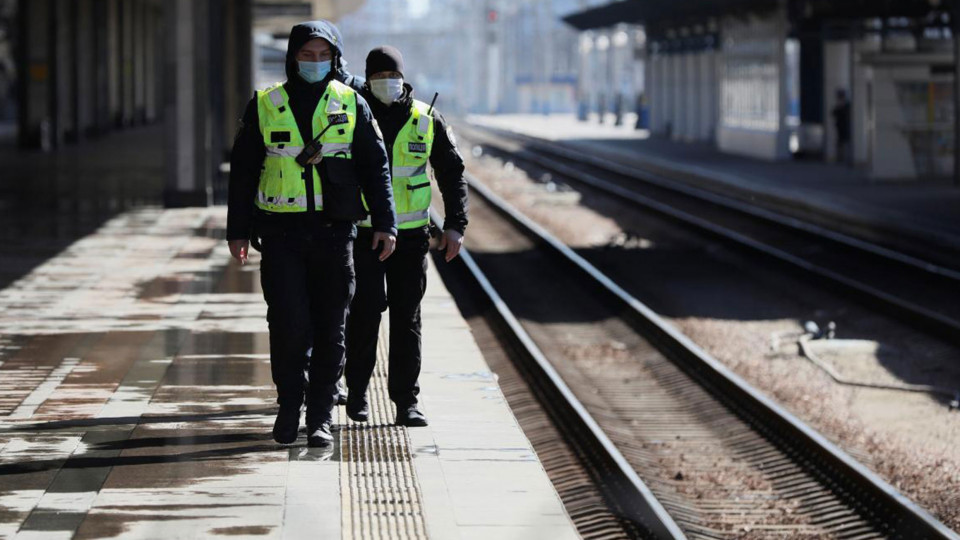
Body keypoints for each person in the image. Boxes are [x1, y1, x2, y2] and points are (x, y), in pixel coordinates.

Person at [226, 21, 397, 447]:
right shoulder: (265, 104)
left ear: (335, 58)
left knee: (330, 327)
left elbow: (376, 168)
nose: (316, 62)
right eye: (307, 55)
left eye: (324, 55)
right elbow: (244, 172)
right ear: (292, 57)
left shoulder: (352, 103)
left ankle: (320, 416)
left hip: (335, 234)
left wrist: (385, 222)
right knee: (288, 324)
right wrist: (237, 230)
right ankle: (289, 407)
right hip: (280, 234)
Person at [344, 46, 468, 427]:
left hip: (412, 238)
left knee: (406, 319)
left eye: (390, 76)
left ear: (403, 77)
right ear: (367, 80)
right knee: (363, 316)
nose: (385, 84)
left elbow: (451, 172)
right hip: (364, 235)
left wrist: (455, 225)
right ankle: (358, 394)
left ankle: (405, 403)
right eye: (378, 78)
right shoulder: (350, 115)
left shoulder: (426, 119)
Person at [832, 88, 851, 165]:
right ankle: (840, 157)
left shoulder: (847, 105)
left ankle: (847, 157)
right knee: (840, 142)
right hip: (840, 127)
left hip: (846, 126)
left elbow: (847, 114)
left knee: (846, 142)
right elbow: (833, 113)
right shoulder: (838, 105)